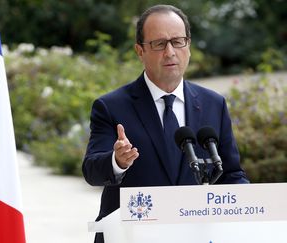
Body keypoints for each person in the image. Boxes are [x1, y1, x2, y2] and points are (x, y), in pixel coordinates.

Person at [82, 4, 249, 243]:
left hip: (195, 235)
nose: (170, 52)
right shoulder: (111, 106)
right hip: (131, 236)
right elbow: (91, 171)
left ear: (188, 46)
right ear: (140, 51)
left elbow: (231, 174)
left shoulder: (214, 104)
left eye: (178, 41)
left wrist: (252, 204)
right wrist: (117, 161)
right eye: (159, 44)